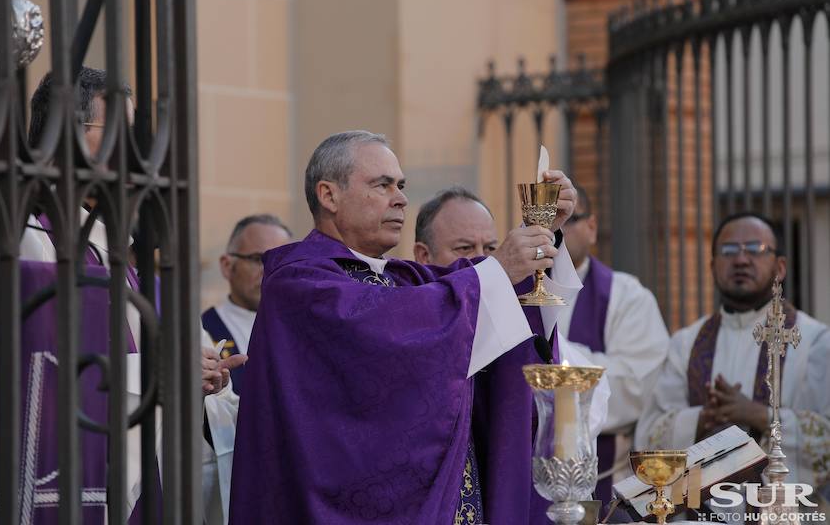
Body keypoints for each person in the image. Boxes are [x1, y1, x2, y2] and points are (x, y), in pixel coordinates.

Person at [230, 131, 609, 524]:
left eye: (402, 185)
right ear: (329, 195)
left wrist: (543, 237)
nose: (401, 198)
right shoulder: (299, 285)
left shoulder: (402, 279)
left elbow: (463, 293)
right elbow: (396, 327)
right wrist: (498, 270)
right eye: (382, 185)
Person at [0, 68, 242, 521]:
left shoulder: (104, 240)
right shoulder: (16, 230)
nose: (130, 150)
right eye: (116, 131)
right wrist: (162, 371)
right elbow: (23, 375)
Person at [413, 186, 611, 523]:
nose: (487, 262)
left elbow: (582, 397)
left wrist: (546, 232)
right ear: (423, 257)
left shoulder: (517, 314)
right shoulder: (414, 314)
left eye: (492, 248)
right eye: (464, 249)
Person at [636, 212, 830, 514]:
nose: (741, 260)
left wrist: (758, 414)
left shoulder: (815, 341)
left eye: (755, 249)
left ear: (780, 267)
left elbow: (826, 437)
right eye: (729, 251)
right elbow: (650, 433)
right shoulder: (686, 344)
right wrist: (702, 417)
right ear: (713, 266)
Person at [555, 185, 668, 509]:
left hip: (606, 484)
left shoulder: (628, 297)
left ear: (591, 227)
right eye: (547, 222)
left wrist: (555, 360)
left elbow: (635, 386)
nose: (555, 232)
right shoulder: (519, 293)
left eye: (567, 220)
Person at [200, 214, 292, 525]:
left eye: (281, 261)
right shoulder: (203, 332)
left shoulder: (303, 331)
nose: (271, 272)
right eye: (258, 259)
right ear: (227, 265)